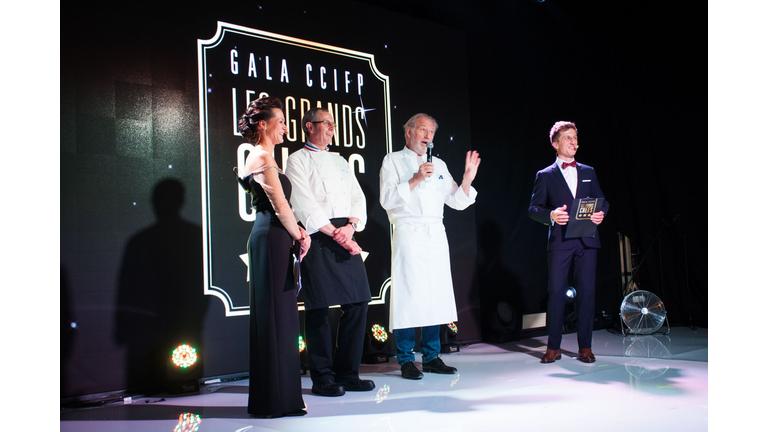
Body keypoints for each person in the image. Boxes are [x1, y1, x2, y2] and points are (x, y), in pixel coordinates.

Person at [379, 113, 481, 380]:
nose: (427, 136)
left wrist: (467, 178)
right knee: (409, 296)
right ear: (408, 132)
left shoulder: (440, 164)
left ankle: (432, 356)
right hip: (409, 232)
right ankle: (405, 358)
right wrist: (415, 179)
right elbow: (386, 199)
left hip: (435, 234)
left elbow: (457, 201)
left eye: (431, 132)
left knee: (434, 295)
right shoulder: (392, 160)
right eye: (422, 130)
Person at [285, 107, 375, 397]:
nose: (331, 128)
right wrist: (335, 233)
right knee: (319, 307)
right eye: (326, 123)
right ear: (309, 126)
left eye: (333, 124)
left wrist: (351, 226)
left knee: (359, 301)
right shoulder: (297, 160)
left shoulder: (340, 160)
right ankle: (322, 377)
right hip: (317, 236)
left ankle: (348, 373)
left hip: (345, 232)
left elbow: (357, 196)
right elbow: (303, 203)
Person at [236, 96, 311, 417]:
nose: (285, 128)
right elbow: (280, 206)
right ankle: (273, 400)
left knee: (282, 318)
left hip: (277, 238)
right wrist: (301, 235)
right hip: (271, 239)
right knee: (274, 317)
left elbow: (284, 206)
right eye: (280, 122)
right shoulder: (261, 156)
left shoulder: (265, 156)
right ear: (264, 124)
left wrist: (298, 232)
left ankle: (281, 398)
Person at [528, 121, 608, 364]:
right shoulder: (545, 175)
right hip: (561, 241)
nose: (574, 142)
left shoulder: (588, 171)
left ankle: (585, 347)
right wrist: (551, 215)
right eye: (568, 138)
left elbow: (602, 200)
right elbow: (534, 209)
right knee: (556, 293)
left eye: (575, 137)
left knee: (587, 293)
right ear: (555, 143)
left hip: (587, 240)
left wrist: (601, 213)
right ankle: (553, 347)